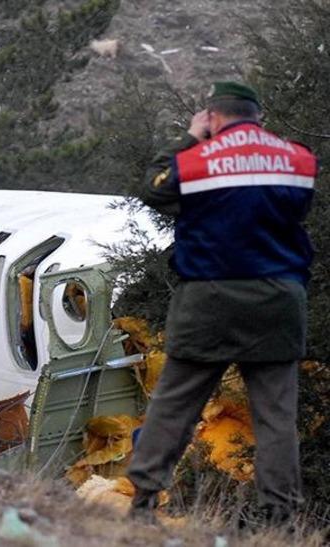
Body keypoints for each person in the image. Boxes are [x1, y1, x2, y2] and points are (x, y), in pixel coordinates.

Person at [126, 81, 318, 524]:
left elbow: (154, 189)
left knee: (175, 404)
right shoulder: (298, 157)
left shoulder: (196, 161)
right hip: (278, 298)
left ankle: (143, 504)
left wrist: (191, 138)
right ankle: (280, 518)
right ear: (258, 117)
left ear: (212, 117)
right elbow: (294, 211)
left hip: (208, 297)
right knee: (275, 416)